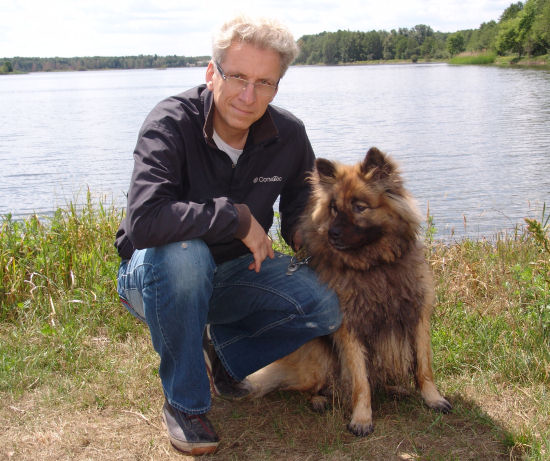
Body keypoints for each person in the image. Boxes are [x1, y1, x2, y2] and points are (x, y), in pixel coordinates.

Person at [115, 14, 341, 456]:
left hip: (237, 273)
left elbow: (299, 213)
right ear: (211, 73)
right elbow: (145, 221)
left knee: (326, 304)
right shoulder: (169, 123)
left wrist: (322, 241)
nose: (248, 95)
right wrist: (236, 218)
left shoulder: (289, 135)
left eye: (264, 82)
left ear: (276, 87)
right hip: (156, 276)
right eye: (237, 77)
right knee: (185, 256)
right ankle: (185, 404)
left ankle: (220, 353)